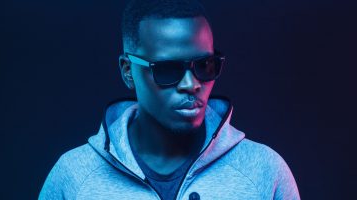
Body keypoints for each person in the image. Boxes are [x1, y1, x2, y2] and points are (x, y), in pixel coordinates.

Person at [39, 0, 300, 199]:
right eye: (168, 69)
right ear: (128, 70)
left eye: (205, 65)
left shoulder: (265, 171)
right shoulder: (73, 177)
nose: (191, 84)